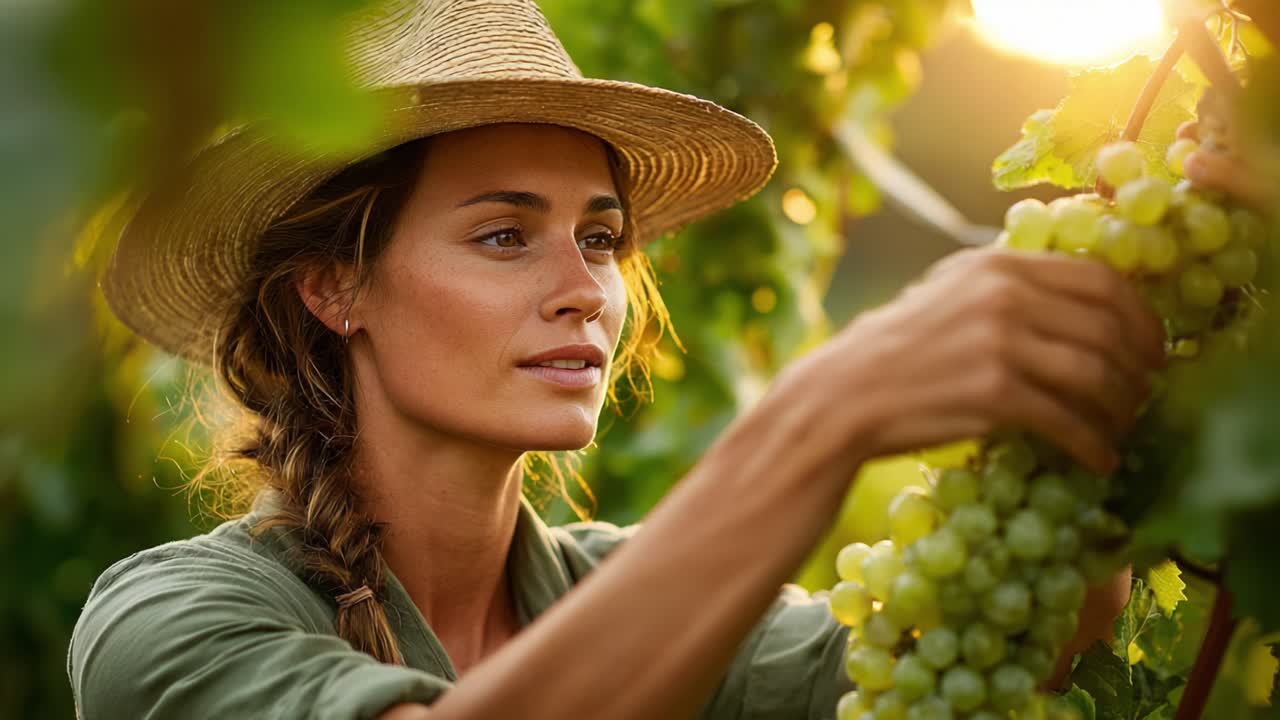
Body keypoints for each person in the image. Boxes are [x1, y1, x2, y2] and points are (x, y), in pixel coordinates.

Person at [67, 1, 1191, 719]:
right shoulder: (169, 625)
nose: (583, 289)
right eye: (504, 235)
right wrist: (816, 420)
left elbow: (1005, 646)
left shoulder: (642, 593)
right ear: (334, 287)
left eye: (600, 238)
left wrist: (1113, 330)